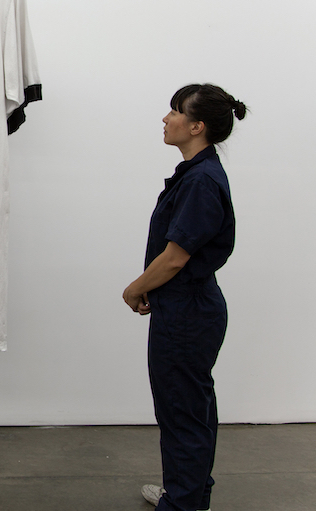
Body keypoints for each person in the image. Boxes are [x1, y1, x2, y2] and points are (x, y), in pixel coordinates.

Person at [123, 83, 248, 511]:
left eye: (175, 111)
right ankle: (188, 495)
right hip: (187, 307)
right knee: (191, 407)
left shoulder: (201, 180)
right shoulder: (197, 173)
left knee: (182, 410)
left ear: (197, 126)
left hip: (187, 311)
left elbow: (175, 257)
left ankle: (182, 503)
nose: (166, 118)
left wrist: (136, 287)